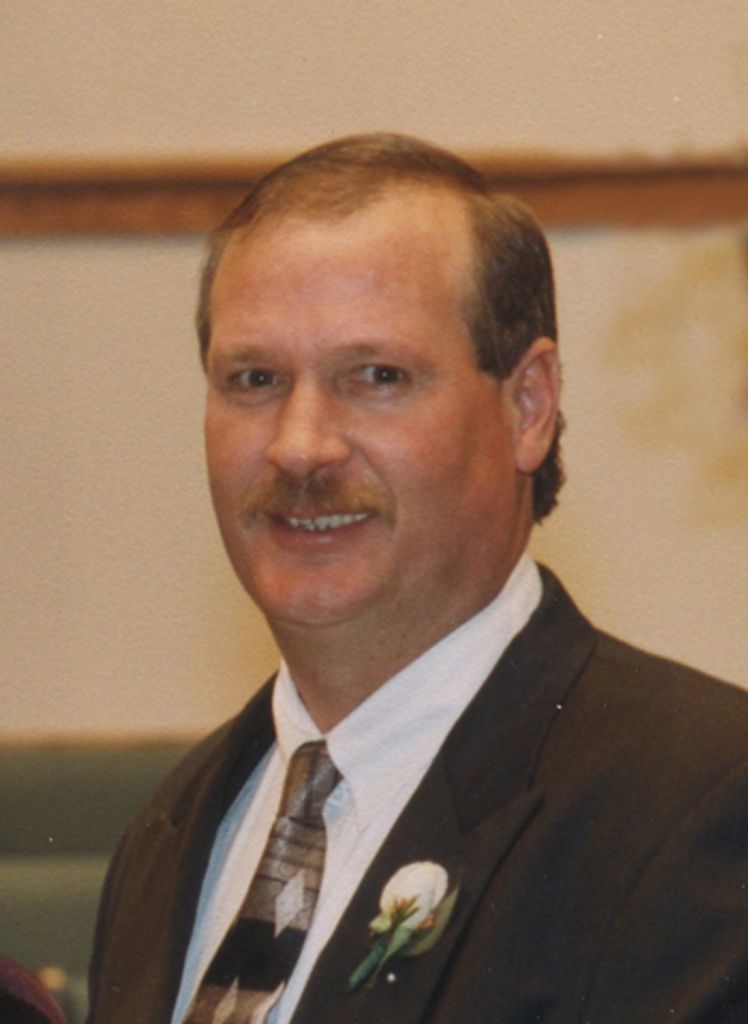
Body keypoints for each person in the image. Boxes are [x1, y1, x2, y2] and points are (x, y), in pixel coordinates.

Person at [88, 134, 748, 1024]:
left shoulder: (699, 806)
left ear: (529, 407)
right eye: (255, 379)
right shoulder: (171, 834)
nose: (300, 446)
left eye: (377, 377)